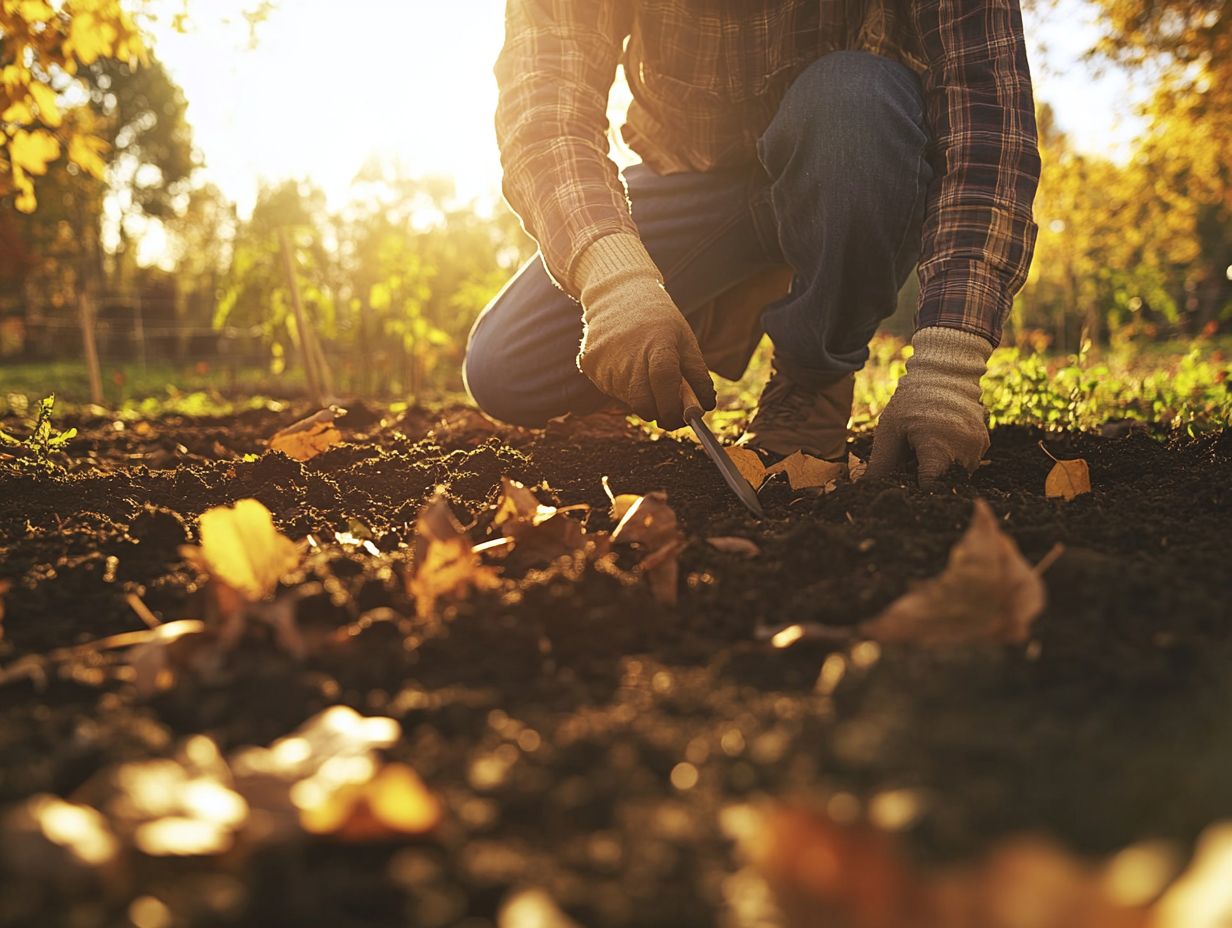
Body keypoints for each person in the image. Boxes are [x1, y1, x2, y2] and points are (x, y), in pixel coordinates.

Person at [464, 0, 1040, 485]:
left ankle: (813, 379)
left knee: (856, 97)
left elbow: (986, 122)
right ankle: (733, 305)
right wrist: (616, 283)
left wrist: (949, 364)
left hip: (850, 169)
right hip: (695, 184)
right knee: (507, 369)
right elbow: (544, 110)